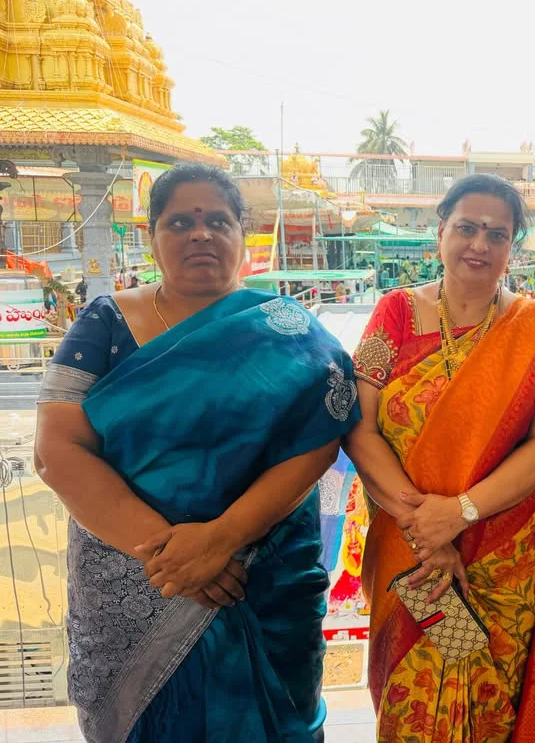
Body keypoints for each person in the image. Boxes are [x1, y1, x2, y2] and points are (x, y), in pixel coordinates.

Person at [35, 163, 360, 743]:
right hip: (136, 579)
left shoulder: (288, 329)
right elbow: (58, 450)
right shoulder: (105, 324)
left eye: (217, 221)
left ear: (243, 232)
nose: (200, 234)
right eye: (179, 221)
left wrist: (222, 538)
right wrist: (172, 557)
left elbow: (319, 441)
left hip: (262, 578)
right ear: (152, 235)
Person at [346, 173, 535, 742]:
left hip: (500, 545)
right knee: (412, 698)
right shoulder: (392, 315)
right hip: (413, 544)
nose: (479, 244)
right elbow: (358, 424)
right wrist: (427, 524)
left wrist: (462, 512)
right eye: (467, 228)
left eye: (496, 234)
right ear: (441, 231)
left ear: (512, 245)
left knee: (493, 692)